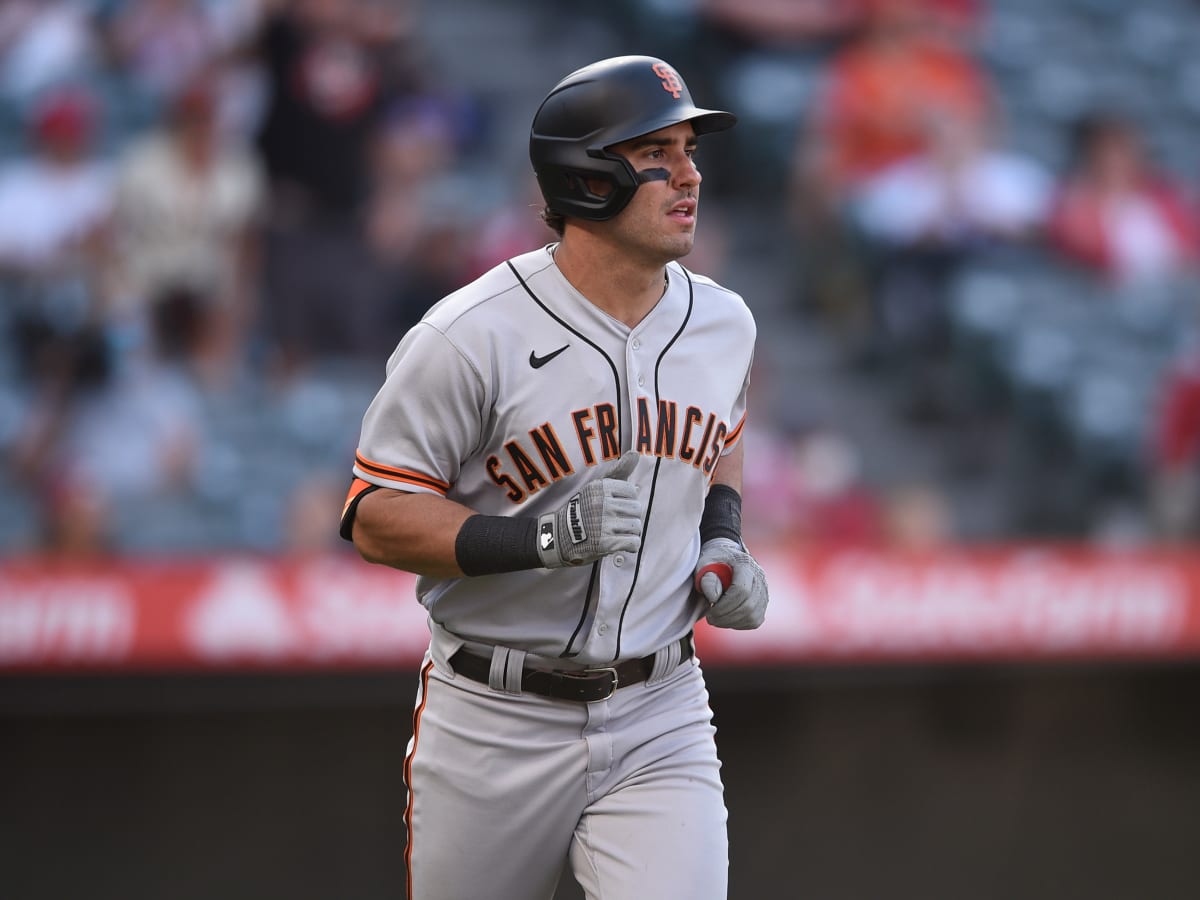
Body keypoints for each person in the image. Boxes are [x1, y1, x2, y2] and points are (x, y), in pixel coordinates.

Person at [339, 56, 769, 900]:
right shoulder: (468, 334)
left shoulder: (724, 321)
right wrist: (538, 539)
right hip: (494, 716)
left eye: (690, 149)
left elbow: (725, 433)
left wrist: (722, 538)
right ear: (588, 177)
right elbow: (376, 512)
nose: (691, 175)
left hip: (660, 708)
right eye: (659, 154)